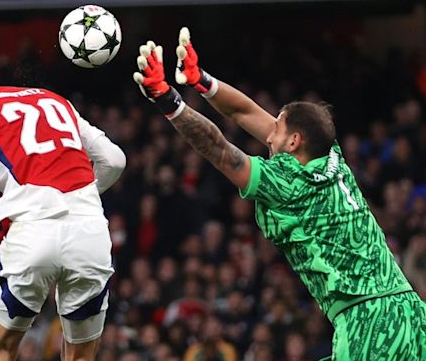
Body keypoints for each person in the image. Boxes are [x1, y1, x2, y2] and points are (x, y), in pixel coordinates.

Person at [132, 28, 426, 360]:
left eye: (278, 130)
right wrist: (202, 80)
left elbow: (218, 148)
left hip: (368, 324)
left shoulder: (287, 183)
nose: (269, 138)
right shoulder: (333, 159)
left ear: (294, 141)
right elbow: (245, 113)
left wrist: (168, 100)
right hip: (410, 311)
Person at [0, 66, 126, 361]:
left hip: (31, 233)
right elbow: (114, 161)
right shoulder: (56, 100)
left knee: (1, 350)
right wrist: (77, 197)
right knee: (82, 355)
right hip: (90, 232)